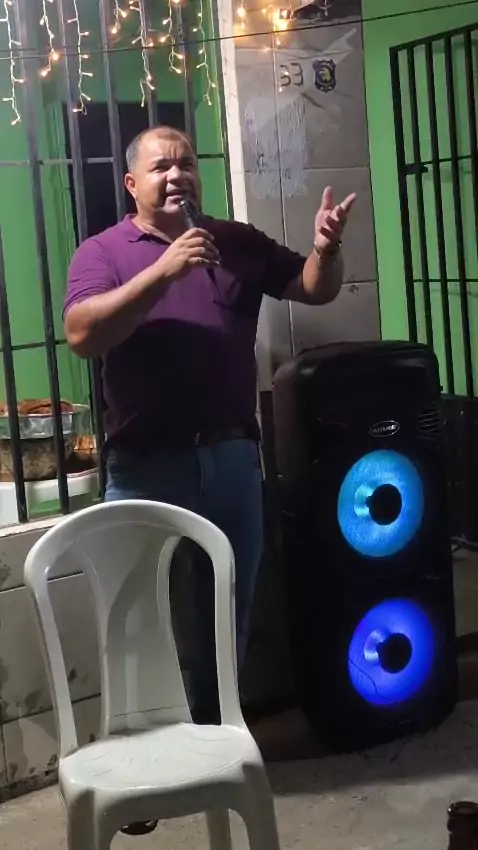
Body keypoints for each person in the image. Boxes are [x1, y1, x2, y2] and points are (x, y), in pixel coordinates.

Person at [64, 125, 356, 834]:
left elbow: (313, 289)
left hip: (230, 461)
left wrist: (325, 248)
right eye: (160, 166)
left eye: (186, 163)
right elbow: (81, 333)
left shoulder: (236, 242)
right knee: (137, 621)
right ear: (131, 184)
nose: (177, 175)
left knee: (226, 615)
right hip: (145, 466)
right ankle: (135, 764)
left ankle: (208, 748)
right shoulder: (103, 252)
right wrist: (164, 272)